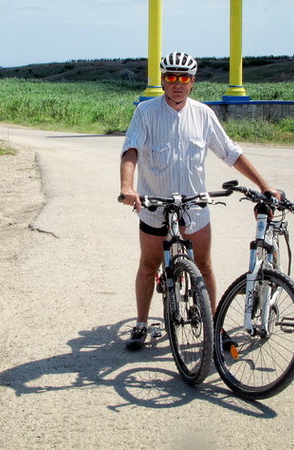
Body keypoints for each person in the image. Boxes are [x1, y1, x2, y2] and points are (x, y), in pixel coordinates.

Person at [119, 52, 278, 351]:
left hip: (194, 206)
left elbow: (230, 152)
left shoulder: (203, 114)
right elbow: (131, 150)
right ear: (162, 80)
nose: (177, 84)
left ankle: (214, 323)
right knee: (148, 265)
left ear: (193, 82)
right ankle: (141, 323)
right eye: (171, 77)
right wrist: (127, 187)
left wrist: (263, 185)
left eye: (184, 78)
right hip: (155, 205)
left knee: (204, 265)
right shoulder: (146, 112)